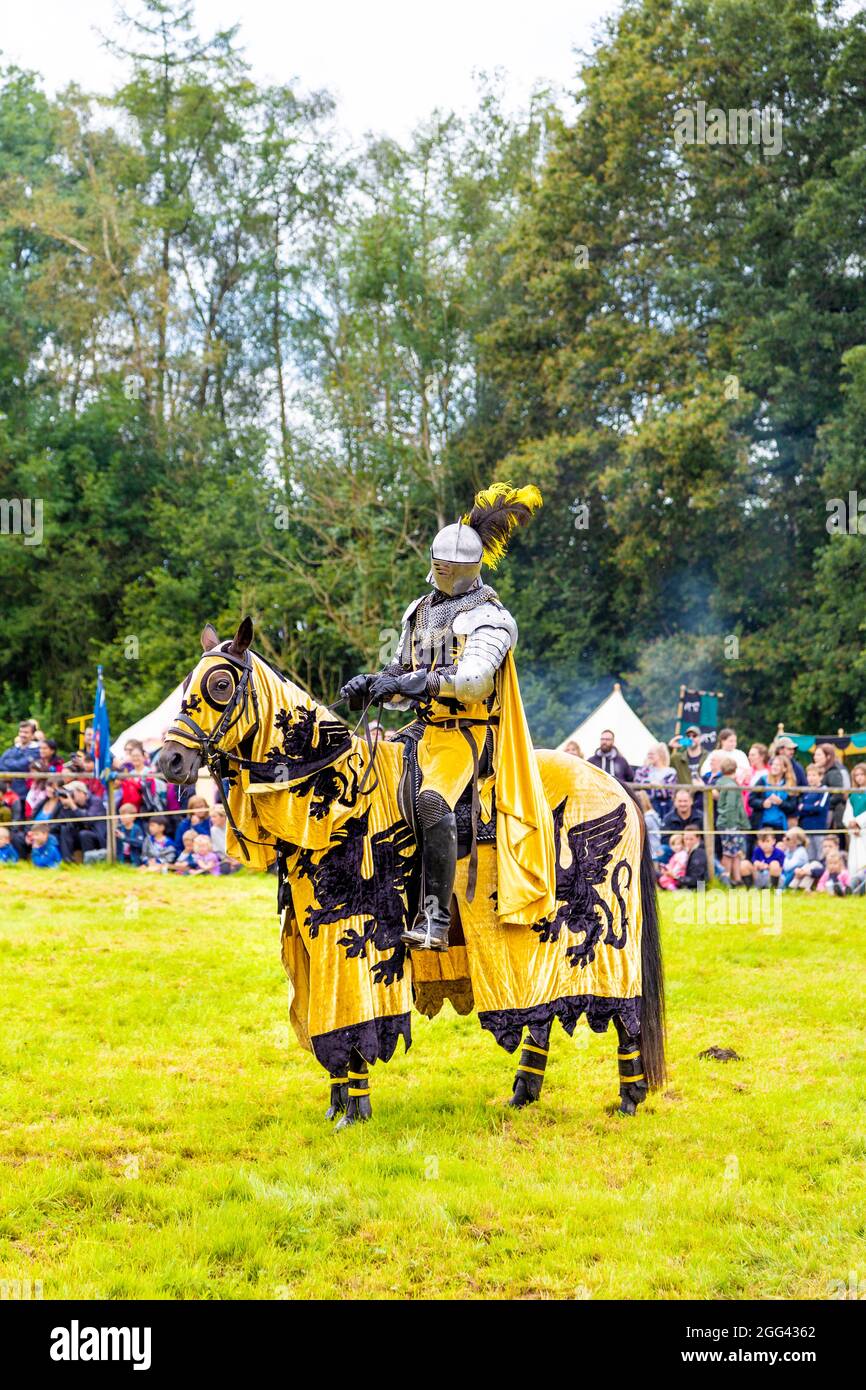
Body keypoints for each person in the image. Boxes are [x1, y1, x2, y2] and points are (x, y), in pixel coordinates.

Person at [340, 481, 554, 952]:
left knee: (433, 802)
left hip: (468, 734)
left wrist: (416, 683)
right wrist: (374, 684)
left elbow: (475, 679)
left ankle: (434, 920)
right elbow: (401, 672)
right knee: (364, 779)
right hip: (423, 730)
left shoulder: (491, 617)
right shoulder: (417, 611)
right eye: (439, 564)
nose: (442, 571)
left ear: (469, 568)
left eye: (450, 566)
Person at [715, 756, 749, 884]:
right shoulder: (731, 786)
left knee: (735, 853)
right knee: (728, 853)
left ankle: (737, 880)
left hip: (727, 823)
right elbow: (730, 807)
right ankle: (726, 881)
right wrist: (733, 825)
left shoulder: (722, 783)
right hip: (730, 823)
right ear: (734, 769)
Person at [56, 780, 107, 863]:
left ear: (81, 792)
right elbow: (64, 822)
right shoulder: (74, 804)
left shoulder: (96, 801)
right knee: (65, 829)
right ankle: (67, 862)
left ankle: (89, 863)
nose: (70, 795)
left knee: (84, 834)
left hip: (97, 836)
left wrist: (73, 806)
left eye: (72, 792)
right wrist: (66, 807)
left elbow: (88, 821)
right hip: (82, 835)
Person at [633, 742, 677, 817]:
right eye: (648, 754)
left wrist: (647, 788)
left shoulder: (670, 771)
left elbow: (667, 792)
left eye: (652, 754)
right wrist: (654, 784)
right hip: (645, 806)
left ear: (660, 755)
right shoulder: (644, 769)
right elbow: (637, 783)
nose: (649, 756)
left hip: (663, 808)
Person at [0, 720, 41, 800]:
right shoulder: (13, 749)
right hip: (6, 792)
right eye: (21, 731)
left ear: (32, 735)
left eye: (26, 732)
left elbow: (22, 766)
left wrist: (8, 763)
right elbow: (1, 763)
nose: (22, 734)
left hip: (23, 794)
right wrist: (14, 765)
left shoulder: (36, 750)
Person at [799, 764, 831, 858]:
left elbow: (820, 808)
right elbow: (799, 809)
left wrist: (805, 807)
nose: (811, 778)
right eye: (809, 775)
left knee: (820, 856)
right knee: (809, 856)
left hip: (819, 828)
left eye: (814, 775)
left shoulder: (824, 790)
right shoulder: (805, 791)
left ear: (820, 776)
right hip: (807, 828)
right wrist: (811, 806)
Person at [842, 762, 866, 880]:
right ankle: (853, 884)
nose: (859, 777)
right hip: (855, 833)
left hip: (864, 830)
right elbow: (848, 813)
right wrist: (851, 823)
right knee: (854, 859)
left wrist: (859, 822)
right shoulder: (853, 795)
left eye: (862, 774)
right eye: (856, 775)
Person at [813, 743, 846, 829]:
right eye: (815, 755)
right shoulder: (826, 772)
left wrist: (823, 804)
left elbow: (838, 794)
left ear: (828, 756)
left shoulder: (833, 772)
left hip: (833, 815)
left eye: (819, 755)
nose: (815, 757)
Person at [679, 824, 708, 889]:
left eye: (691, 839)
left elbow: (697, 880)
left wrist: (677, 878)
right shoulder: (686, 851)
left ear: (698, 838)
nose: (688, 842)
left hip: (699, 889)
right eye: (686, 839)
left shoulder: (699, 853)